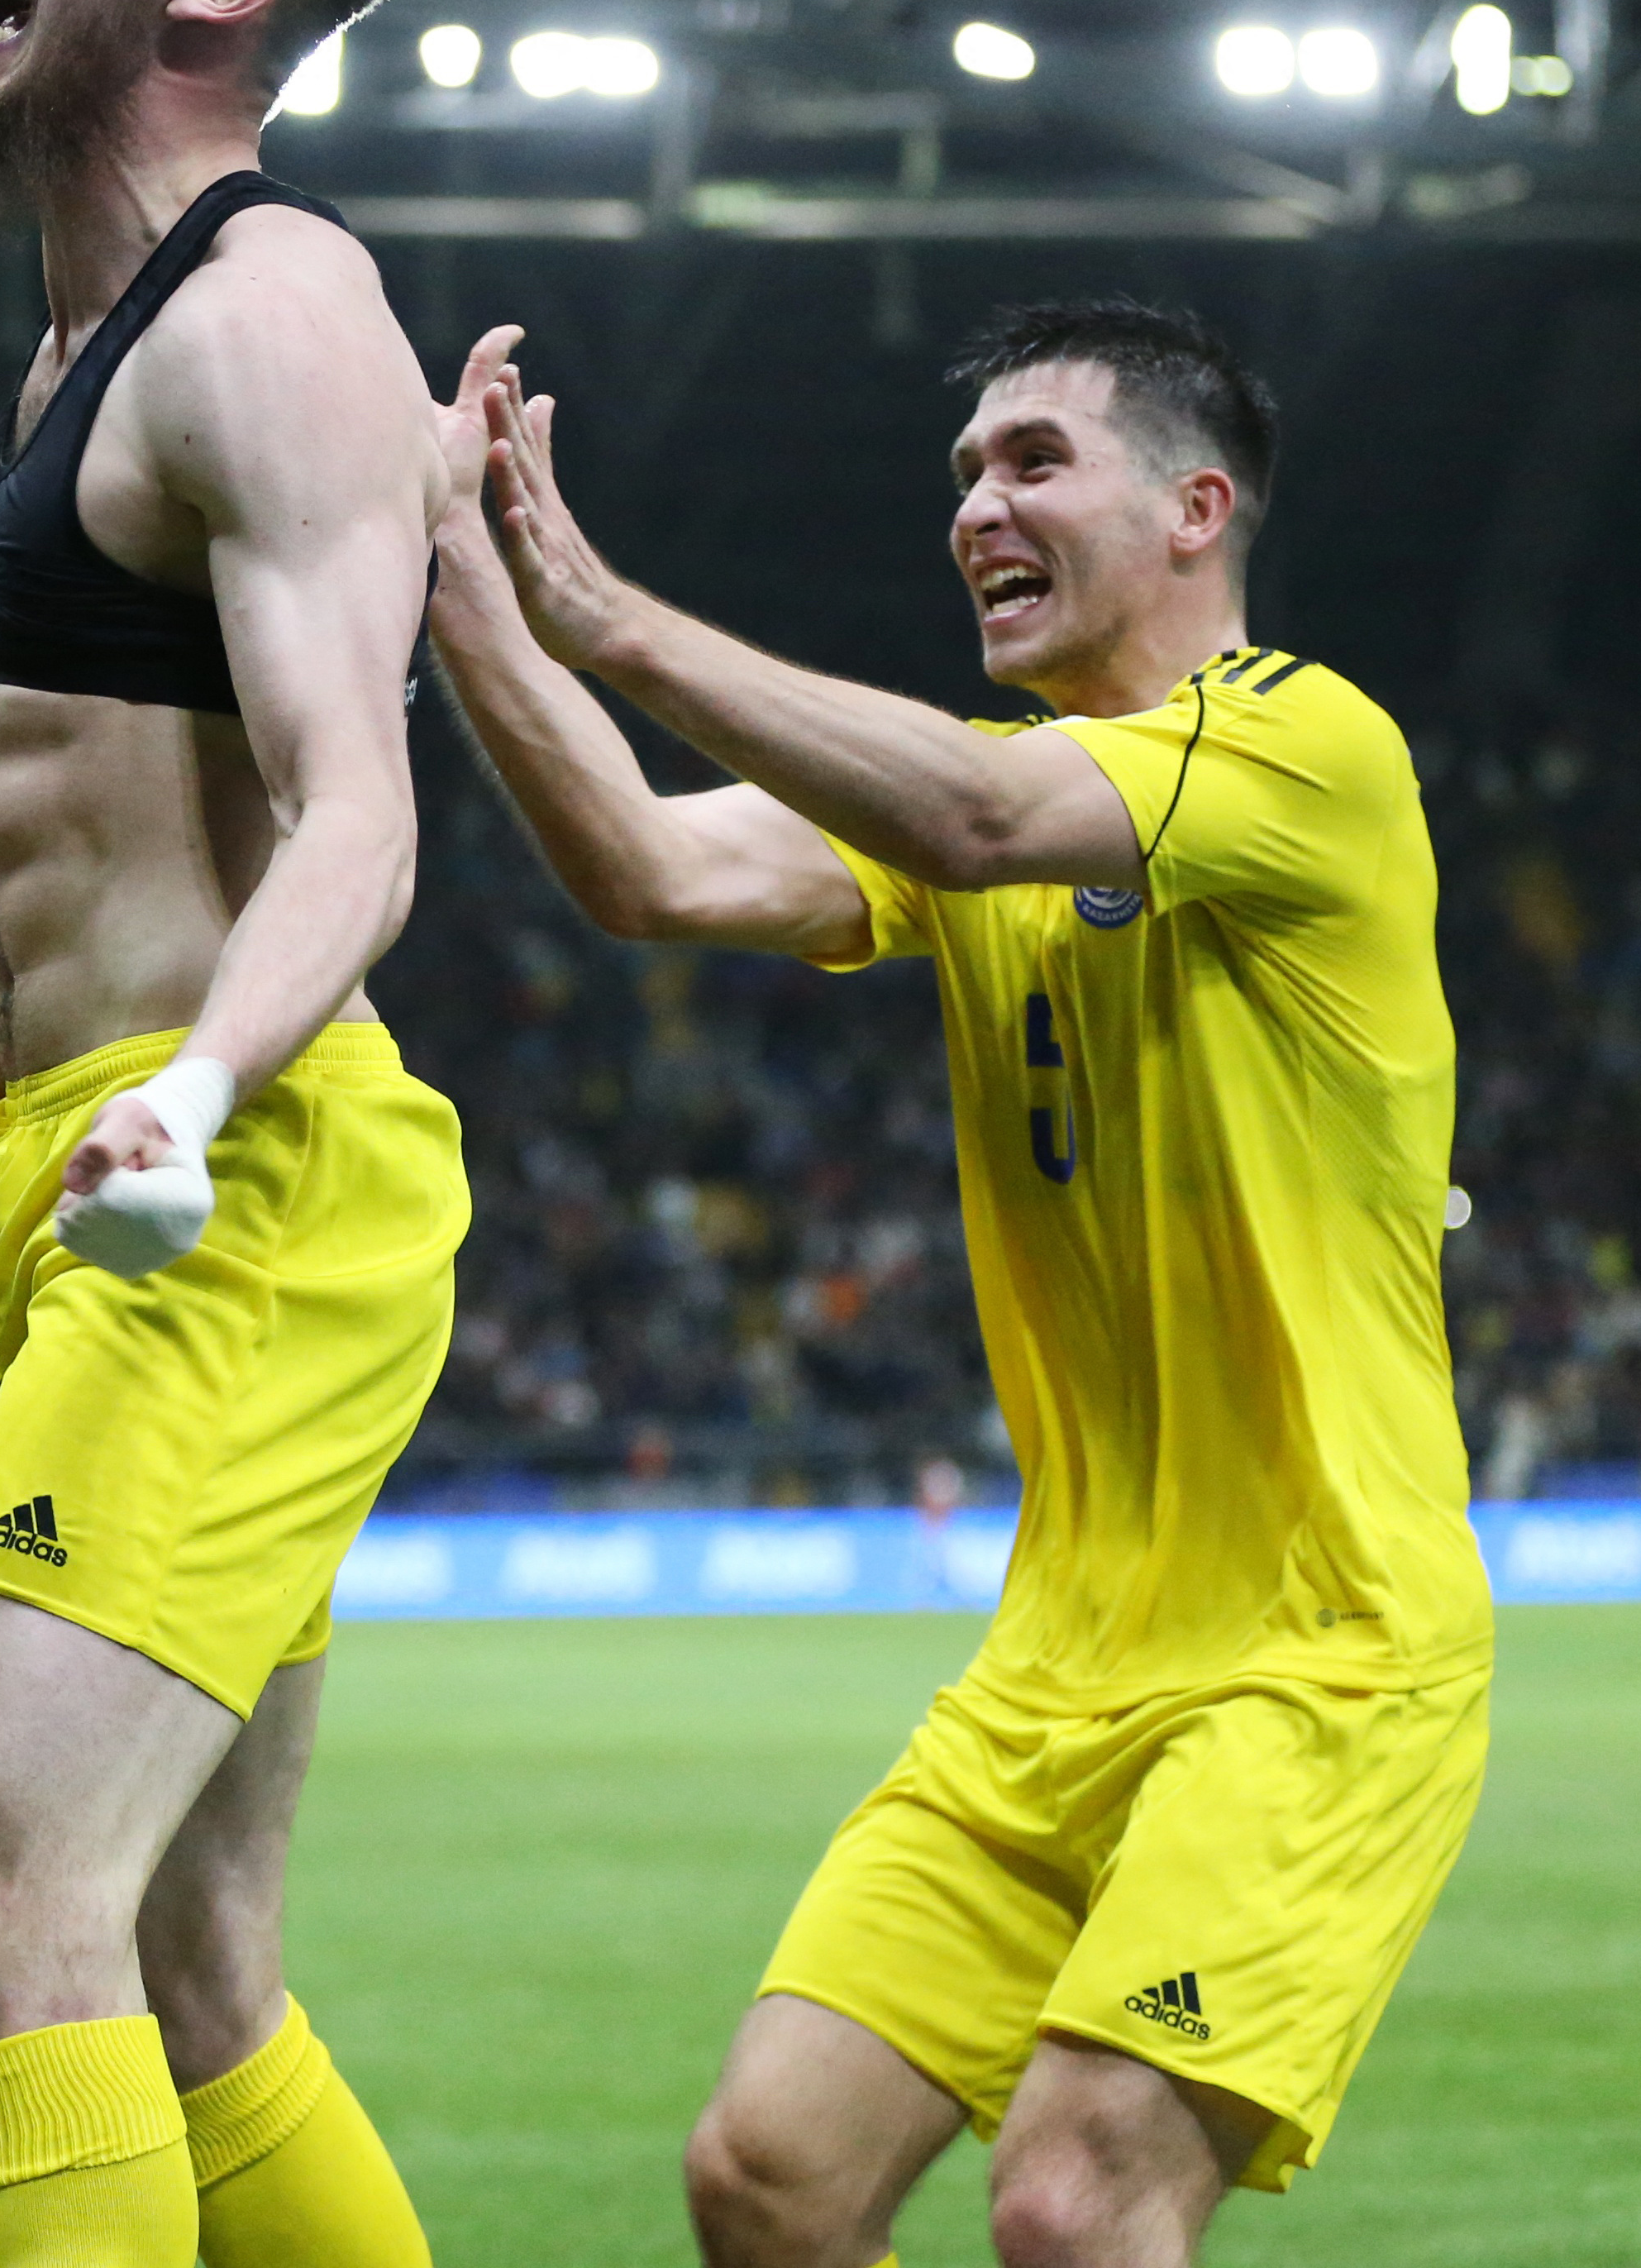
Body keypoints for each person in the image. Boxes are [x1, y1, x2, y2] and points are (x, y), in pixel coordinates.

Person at [424, 299, 1487, 2268]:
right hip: (1055, 1664)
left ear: (1196, 510)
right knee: (765, 2177)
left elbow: (975, 813)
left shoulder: (1303, 744)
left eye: (1029, 464)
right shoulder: (995, 800)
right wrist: (457, 575)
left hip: (1314, 1649)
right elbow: (646, 870)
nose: (974, 508)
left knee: (1076, 2202)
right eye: (961, 479)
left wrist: (610, 616)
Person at [0, 0, 470, 2268]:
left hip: (227, 1180)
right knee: (183, 1965)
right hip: (98, 1149)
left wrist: (195, 1089)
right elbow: (167, 725)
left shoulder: (277, 304)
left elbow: (362, 812)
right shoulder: (75, 358)